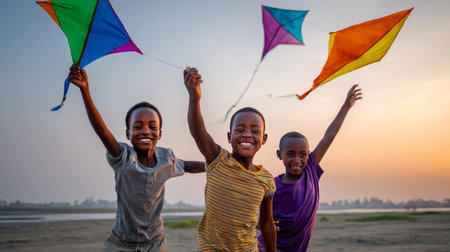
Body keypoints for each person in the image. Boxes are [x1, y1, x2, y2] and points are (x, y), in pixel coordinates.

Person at [68, 66, 205, 252]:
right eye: (138, 126)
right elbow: (103, 132)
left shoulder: (167, 159)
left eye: (152, 126)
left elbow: (187, 165)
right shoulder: (123, 158)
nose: (146, 131)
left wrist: (215, 164)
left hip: (155, 242)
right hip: (121, 243)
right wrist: (85, 90)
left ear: (160, 133)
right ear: (128, 133)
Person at [257, 84, 363, 252]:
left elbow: (329, 135)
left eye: (302, 154)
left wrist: (345, 107)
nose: (297, 160)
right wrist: (258, 223)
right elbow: (252, 212)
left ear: (308, 154)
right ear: (280, 155)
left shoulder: (311, 170)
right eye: (290, 154)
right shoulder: (272, 185)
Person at [183, 67, 277, 252]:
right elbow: (198, 132)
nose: (247, 135)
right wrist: (195, 97)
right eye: (240, 130)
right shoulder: (217, 160)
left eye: (255, 131)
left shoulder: (266, 180)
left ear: (264, 139)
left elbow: (266, 224)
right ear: (229, 136)